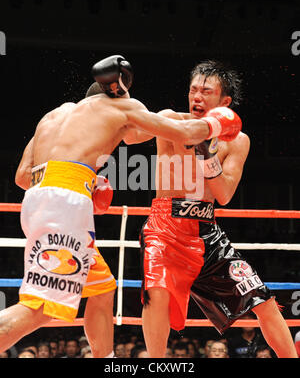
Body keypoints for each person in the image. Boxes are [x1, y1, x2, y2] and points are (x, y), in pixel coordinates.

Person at [0, 55, 232, 358]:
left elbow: (21, 177)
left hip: (41, 200)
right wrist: (220, 122)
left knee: (102, 287)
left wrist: (84, 181)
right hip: (64, 205)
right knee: (41, 309)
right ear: (119, 92)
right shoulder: (121, 105)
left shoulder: (54, 116)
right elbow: (187, 134)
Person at [124, 59, 298, 358]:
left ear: (224, 101)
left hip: (208, 233)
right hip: (164, 227)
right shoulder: (170, 120)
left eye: (206, 91)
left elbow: (225, 193)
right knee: (157, 294)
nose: (197, 97)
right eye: (193, 90)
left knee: (264, 303)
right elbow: (129, 136)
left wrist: (207, 154)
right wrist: (117, 99)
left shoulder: (238, 140)